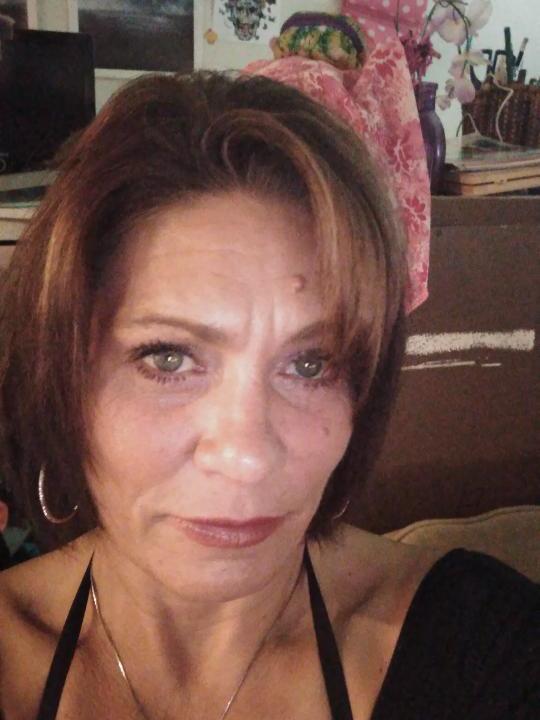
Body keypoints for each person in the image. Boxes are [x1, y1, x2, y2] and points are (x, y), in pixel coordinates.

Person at [0, 71, 537, 720]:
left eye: (311, 364)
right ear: (62, 378)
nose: (247, 457)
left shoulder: (485, 649)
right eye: (168, 358)